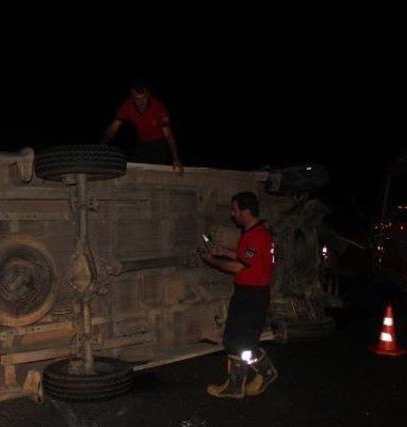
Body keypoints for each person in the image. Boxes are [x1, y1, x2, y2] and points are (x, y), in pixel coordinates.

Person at [198, 191, 277, 399]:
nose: (232, 214)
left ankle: (236, 386)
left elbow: (238, 267)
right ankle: (265, 373)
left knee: (237, 340)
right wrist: (222, 251)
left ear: (246, 211)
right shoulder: (255, 232)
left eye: (235, 210)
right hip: (249, 293)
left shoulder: (257, 236)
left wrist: (210, 260)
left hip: (252, 296)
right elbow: (244, 257)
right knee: (242, 340)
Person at [101, 81, 184, 174]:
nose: (140, 102)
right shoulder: (127, 105)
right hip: (143, 142)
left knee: (154, 168)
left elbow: (168, 135)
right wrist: (103, 144)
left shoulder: (158, 107)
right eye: (137, 99)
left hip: (159, 142)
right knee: (133, 165)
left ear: (148, 94)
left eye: (143, 98)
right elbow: (113, 128)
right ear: (132, 96)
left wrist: (176, 158)